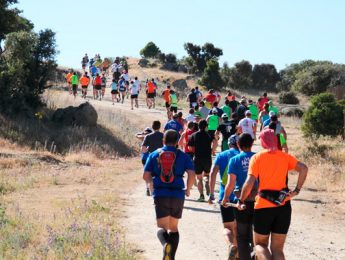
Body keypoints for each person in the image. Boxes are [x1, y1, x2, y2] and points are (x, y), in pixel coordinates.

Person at [236, 129, 308, 260]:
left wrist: (241, 200)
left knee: (260, 245)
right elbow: (304, 168)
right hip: (283, 206)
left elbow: (249, 182)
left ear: (262, 142)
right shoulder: (285, 156)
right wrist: (296, 191)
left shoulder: (257, 157)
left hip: (263, 206)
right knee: (277, 249)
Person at [143, 130, 195, 260]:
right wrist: (188, 189)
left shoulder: (155, 154)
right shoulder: (183, 156)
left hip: (160, 193)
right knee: (174, 228)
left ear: (163, 141)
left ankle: (166, 244)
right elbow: (191, 174)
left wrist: (150, 184)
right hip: (177, 194)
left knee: (161, 227)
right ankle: (171, 257)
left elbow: (145, 175)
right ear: (177, 142)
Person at [222, 133, 257, 260]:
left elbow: (230, 183)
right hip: (258, 201)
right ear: (252, 144)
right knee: (256, 234)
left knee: (241, 236)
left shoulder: (234, 160)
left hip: (241, 201)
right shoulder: (257, 158)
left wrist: (225, 198)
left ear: (238, 145)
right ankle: (256, 255)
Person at [209, 135, 240, 260]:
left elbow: (212, 173)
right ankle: (237, 252)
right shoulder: (244, 156)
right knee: (237, 227)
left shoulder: (221, 155)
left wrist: (211, 193)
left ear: (228, 144)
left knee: (227, 227)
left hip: (225, 197)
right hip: (241, 196)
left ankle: (232, 246)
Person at [188, 120, 213, 202]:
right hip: (207, 158)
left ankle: (201, 196)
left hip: (198, 158)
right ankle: (207, 182)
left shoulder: (193, 135)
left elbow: (190, 148)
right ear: (206, 126)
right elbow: (215, 142)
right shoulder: (209, 135)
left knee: (199, 178)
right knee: (206, 175)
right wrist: (212, 150)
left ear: (198, 126)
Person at [142, 121, 164, 196]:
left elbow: (143, 149)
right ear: (159, 127)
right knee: (161, 174)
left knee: (149, 174)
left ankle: (150, 190)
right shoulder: (163, 135)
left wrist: (148, 149)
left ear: (152, 126)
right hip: (161, 157)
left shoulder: (148, 136)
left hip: (151, 157)